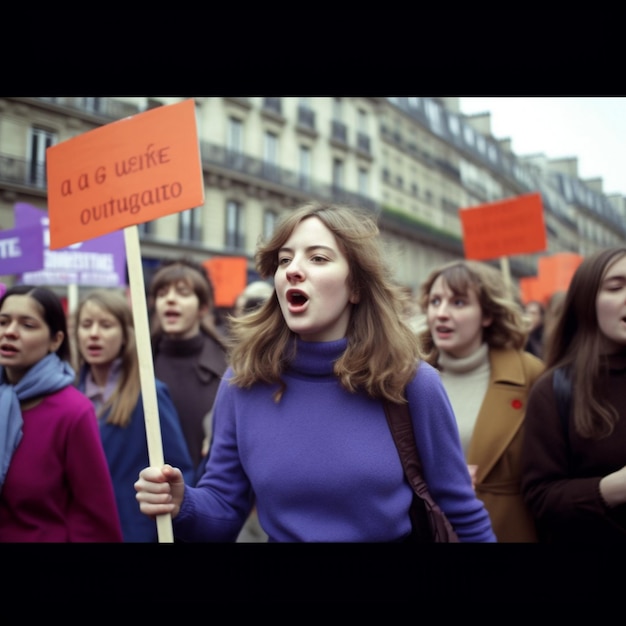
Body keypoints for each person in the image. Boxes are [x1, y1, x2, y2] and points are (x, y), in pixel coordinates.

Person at [134, 201, 496, 543]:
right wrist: (182, 503)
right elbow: (225, 510)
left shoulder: (411, 382)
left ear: (355, 286)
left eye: (318, 258)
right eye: (284, 259)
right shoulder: (242, 381)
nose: (292, 269)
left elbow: (461, 513)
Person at [417, 259, 544, 542]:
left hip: (507, 529)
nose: (441, 313)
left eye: (458, 303)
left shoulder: (531, 374)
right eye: (435, 301)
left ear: (487, 314)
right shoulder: (408, 375)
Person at [0, 284, 122, 542]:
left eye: (27, 325)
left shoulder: (73, 412)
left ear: (55, 340)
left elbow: (95, 521)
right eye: (3, 322)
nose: (10, 332)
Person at [521, 247, 626, 542]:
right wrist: (614, 487)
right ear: (585, 301)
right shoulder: (553, 390)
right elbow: (541, 498)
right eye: (616, 287)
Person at [74, 288, 195, 542]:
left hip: (131, 532)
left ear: (126, 335)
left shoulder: (149, 394)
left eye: (106, 325)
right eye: (87, 324)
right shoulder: (69, 395)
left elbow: (179, 469)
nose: (94, 334)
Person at [148, 258, 228, 483]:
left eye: (182, 293)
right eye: (162, 294)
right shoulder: (138, 366)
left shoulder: (230, 369)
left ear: (203, 307)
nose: (170, 300)